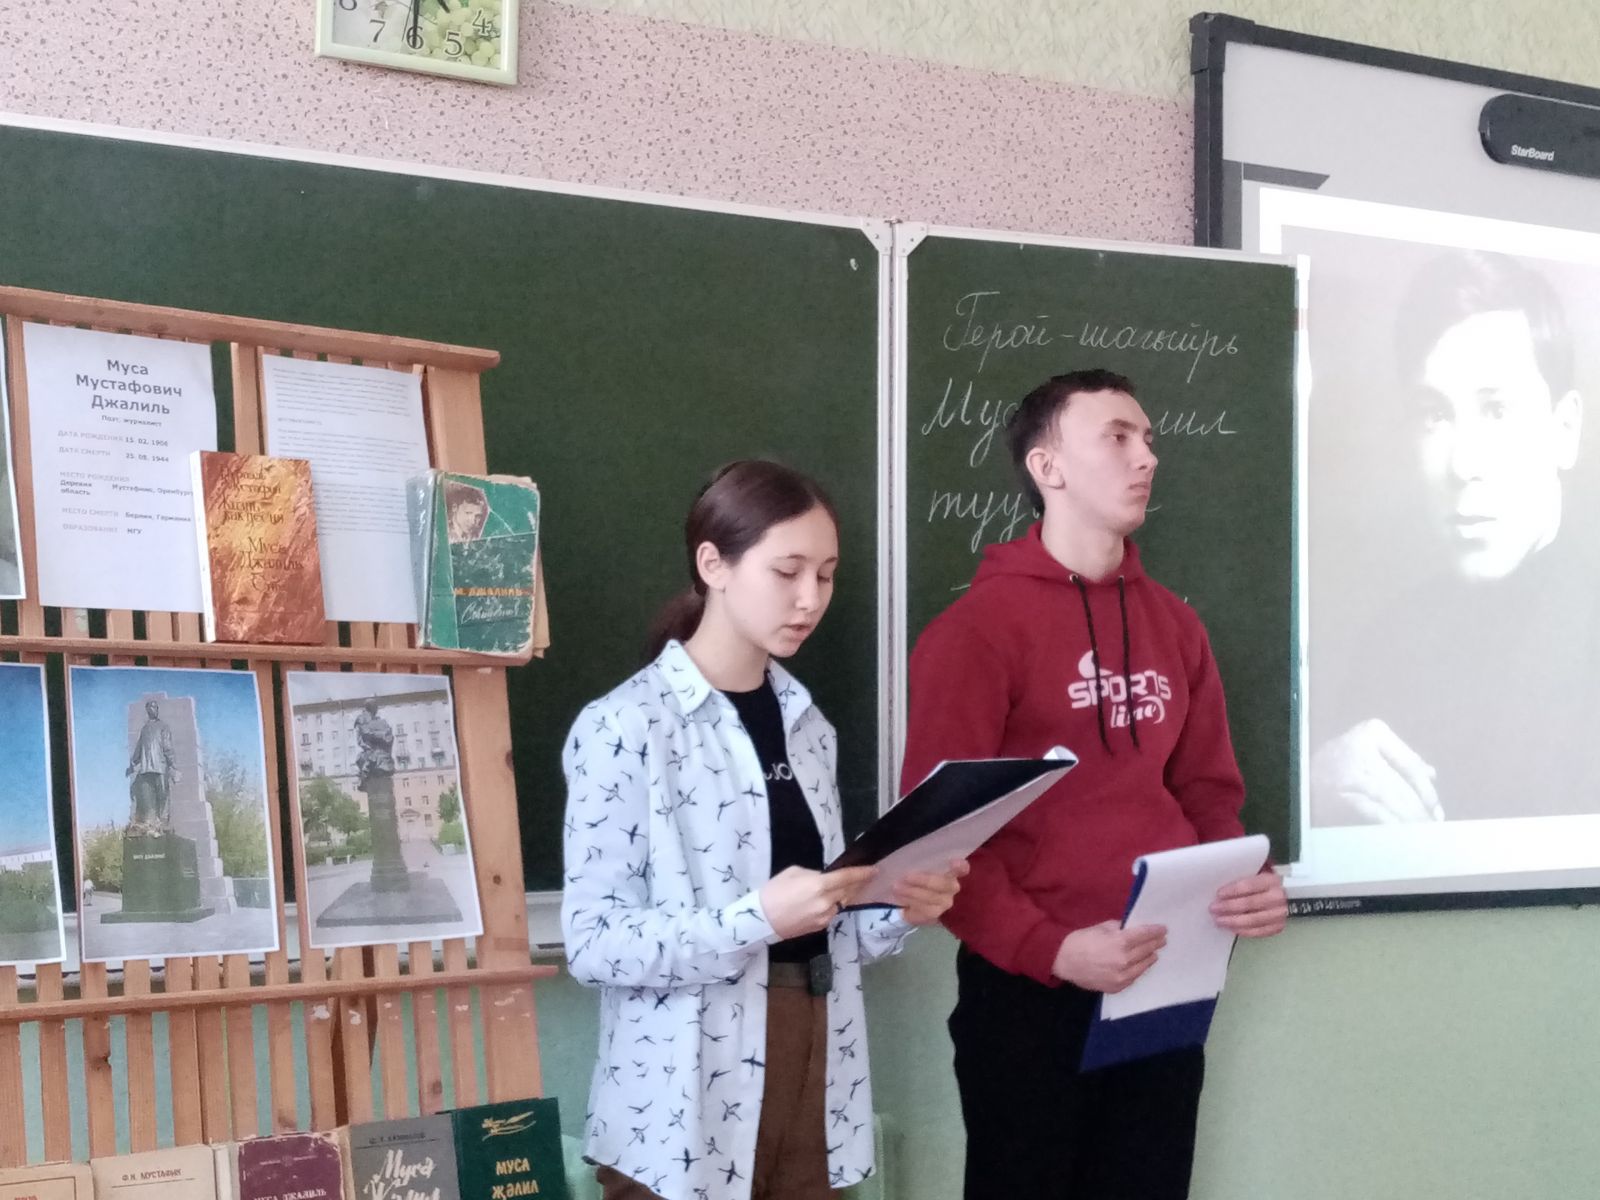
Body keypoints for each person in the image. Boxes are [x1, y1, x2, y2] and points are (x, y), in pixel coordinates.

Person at [901, 369, 1288, 1200]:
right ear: (1048, 467)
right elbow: (936, 846)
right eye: (1117, 437)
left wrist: (1246, 880)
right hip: (1030, 994)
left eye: (1147, 439)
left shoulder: (1175, 624)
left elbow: (1208, 795)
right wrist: (1052, 950)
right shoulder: (975, 634)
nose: (1146, 457)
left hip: (1163, 978)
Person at [562, 460, 967, 1200]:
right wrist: (757, 918)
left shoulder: (808, 726)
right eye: (787, 571)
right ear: (712, 564)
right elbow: (593, 943)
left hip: (819, 1057)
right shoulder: (625, 726)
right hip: (681, 1098)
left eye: (826, 575)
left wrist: (897, 910)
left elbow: (821, 926)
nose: (810, 598)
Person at [1310, 250, 1597, 825]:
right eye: (1434, 415)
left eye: (1496, 410)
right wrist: (1312, 794)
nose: (1463, 464)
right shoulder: (1388, 646)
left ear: (1564, 431)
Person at [125, 698, 178, 835]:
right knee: (153, 798)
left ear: (157, 710)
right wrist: (132, 765)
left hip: (159, 767)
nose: (152, 710)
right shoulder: (145, 729)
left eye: (154, 707)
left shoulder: (163, 726)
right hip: (149, 769)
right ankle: (154, 824)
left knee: (162, 796)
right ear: (147, 710)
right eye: (150, 707)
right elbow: (139, 749)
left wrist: (173, 764)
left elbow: (167, 747)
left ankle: (162, 823)